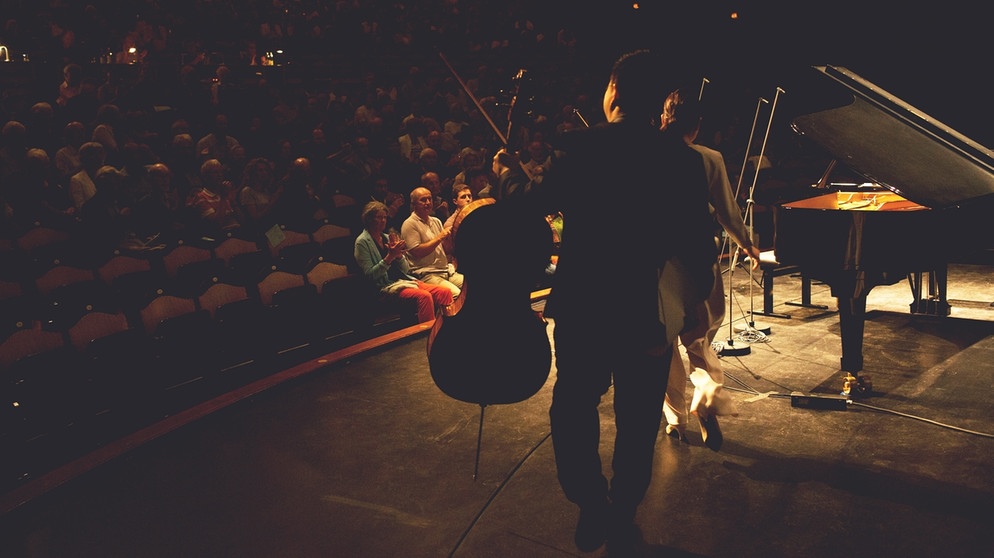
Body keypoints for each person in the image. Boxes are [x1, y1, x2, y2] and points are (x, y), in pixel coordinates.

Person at [520, 50, 717, 555]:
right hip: (645, 311)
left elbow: (530, 206)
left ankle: (591, 504)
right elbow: (699, 241)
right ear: (658, 102)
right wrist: (695, 301)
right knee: (637, 417)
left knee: (572, 407)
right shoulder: (682, 160)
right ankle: (624, 508)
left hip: (584, 306)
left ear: (612, 93)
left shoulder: (578, 150)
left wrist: (513, 175)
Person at [659, 86, 762, 450]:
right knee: (700, 339)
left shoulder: (644, 155)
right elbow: (727, 211)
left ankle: (675, 420)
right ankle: (706, 399)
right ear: (697, 126)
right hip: (699, 261)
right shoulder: (709, 158)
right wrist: (747, 244)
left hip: (658, 268)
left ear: (662, 118)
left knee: (665, 345)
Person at [354, 201, 453, 323]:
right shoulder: (362, 242)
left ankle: (448, 328)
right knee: (424, 296)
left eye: (385, 217)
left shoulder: (386, 237)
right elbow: (370, 276)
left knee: (444, 292)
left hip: (403, 281)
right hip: (384, 287)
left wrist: (399, 256)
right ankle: (428, 335)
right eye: (379, 217)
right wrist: (390, 257)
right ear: (369, 219)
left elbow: (406, 270)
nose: (383, 220)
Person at [400, 186, 463, 298]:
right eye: (423, 200)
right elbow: (417, 252)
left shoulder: (436, 221)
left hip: (445, 271)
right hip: (427, 275)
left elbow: (446, 249)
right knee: (456, 295)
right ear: (414, 204)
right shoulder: (409, 224)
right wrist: (439, 237)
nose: (428, 202)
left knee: (473, 285)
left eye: (430, 199)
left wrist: (451, 238)